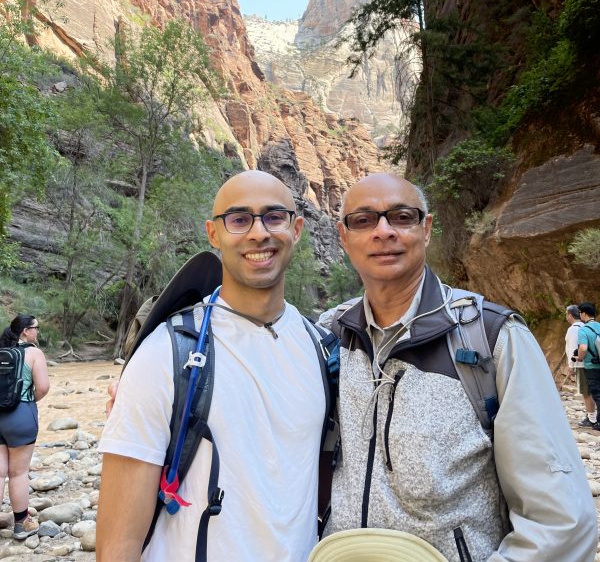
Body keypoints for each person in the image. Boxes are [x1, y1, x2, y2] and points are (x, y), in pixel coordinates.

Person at [320, 172, 597, 562]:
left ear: (426, 228)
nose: (383, 231)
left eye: (401, 217)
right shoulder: (331, 336)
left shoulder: (491, 337)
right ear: (343, 237)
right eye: (363, 220)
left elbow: (561, 519)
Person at [96, 170, 327, 562]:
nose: (259, 233)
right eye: (239, 219)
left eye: (274, 217)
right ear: (213, 233)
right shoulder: (165, 353)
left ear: (297, 228)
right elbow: (118, 543)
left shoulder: (322, 348)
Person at [0, 314, 50, 540]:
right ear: (25, 332)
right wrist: (27, 402)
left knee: (0, 473)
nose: (38, 331)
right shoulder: (34, 353)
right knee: (18, 472)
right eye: (36, 328)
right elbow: (43, 388)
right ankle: (21, 523)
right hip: (20, 415)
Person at [565, 305, 597, 427]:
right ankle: (593, 416)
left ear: (570, 315)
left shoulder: (573, 329)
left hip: (581, 363)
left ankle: (591, 418)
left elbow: (574, 348)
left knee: (586, 391)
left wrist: (571, 365)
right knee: (592, 390)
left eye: (566, 314)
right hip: (592, 362)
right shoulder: (586, 326)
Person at [576, 302, 600, 431]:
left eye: (580, 313)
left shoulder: (583, 330)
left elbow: (583, 348)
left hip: (592, 366)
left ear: (584, 313)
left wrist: (579, 357)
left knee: (597, 394)